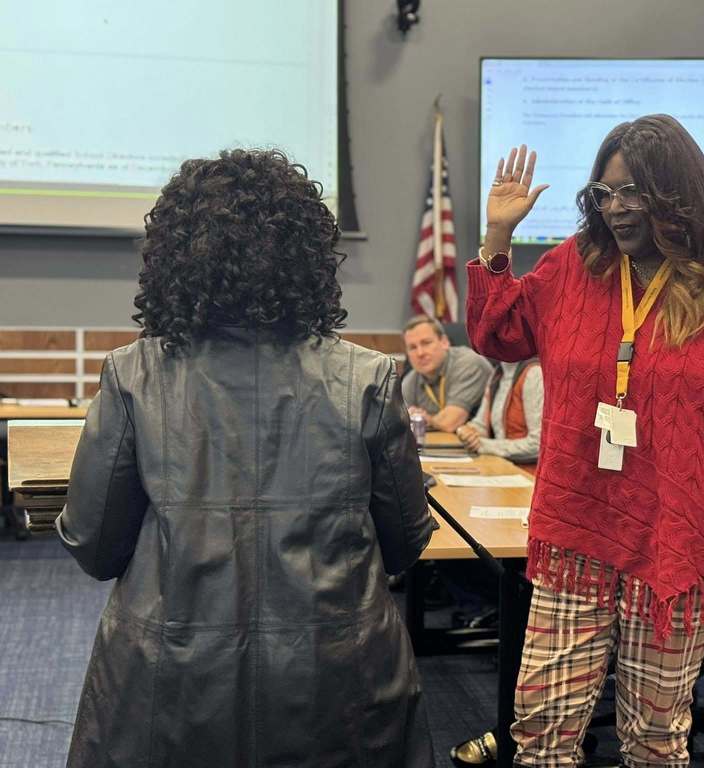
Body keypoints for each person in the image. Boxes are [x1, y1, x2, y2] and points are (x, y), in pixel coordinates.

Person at [56, 149, 436, 768]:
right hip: (335, 682)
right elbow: (404, 543)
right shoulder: (366, 377)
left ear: (174, 257)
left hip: (171, 681)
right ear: (309, 257)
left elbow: (95, 547)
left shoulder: (134, 373)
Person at [465, 116, 704, 767]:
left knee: (654, 736)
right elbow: (496, 333)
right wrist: (498, 235)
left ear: (676, 193)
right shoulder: (577, 265)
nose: (616, 209)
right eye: (605, 192)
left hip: (681, 529)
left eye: (633, 193)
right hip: (580, 522)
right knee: (541, 722)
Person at [402, 314, 493, 433]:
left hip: (484, 445)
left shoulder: (469, 364)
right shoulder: (410, 381)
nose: (420, 353)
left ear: (444, 342)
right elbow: (400, 424)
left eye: (426, 343)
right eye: (412, 347)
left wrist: (421, 419)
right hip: (440, 445)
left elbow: (451, 422)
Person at [455, 359, 543, 471]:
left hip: (529, 475)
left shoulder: (534, 373)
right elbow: (481, 425)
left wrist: (484, 445)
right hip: (502, 467)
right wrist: (468, 431)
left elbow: (538, 445)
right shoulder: (498, 372)